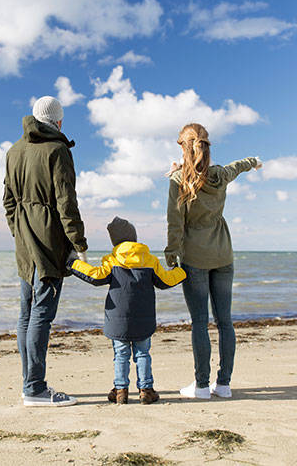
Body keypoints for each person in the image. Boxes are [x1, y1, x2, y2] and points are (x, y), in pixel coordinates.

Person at [164, 123, 262, 400]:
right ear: (206, 145)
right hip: (223, 254)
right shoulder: (219, 175)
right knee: (225, 322)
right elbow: (238, 165)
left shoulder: (178, 181)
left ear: (183, 147)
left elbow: (175, 223)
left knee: (199, 322)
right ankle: (225, 384)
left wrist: (171, 254)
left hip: (194, 257)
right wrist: (254, 162)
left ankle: (202, 386)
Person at [3, 96, 88, 407]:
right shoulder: (58, 150)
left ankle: (29, 382)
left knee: (26, 314)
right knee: (41, 314)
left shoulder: (13, 151)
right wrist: (79, 243)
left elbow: (8, 202)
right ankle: (36, 388)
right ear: (59, 122)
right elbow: (67, 203)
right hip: (49, 241)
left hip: (23, 243)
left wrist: (19, 231)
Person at [68, 216, 186, 404]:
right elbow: (165, 281)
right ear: (134, 238)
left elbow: (95, 276)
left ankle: (121, 390)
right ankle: (146, 390)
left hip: (118, 319)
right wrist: (181, 271)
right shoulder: (149, 260)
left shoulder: (112, 260)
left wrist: (73, 263)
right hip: (144, 318)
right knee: (143, 353)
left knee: (121, 354)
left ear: (115, 241)